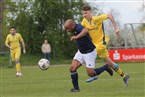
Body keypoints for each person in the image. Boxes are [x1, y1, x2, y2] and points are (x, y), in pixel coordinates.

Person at [81, 5, 129, 86]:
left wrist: (116, 28)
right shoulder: (84, 22)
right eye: (83, 13)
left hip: (101, 43)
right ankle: (124, 76)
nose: (84, 15)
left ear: (90, 12)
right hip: (94, 45)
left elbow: (110, 15)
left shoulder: (96, 19)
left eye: (86, 13)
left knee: (88, 54)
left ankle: (95, 74)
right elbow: (82, 31)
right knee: (110, 63)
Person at [64, 19, 113, 92]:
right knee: (72, 68)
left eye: (68, 28)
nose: (67, 30)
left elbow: (85, 31)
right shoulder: (74, 29)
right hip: (81, 52)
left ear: (72, 25)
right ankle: (76, 89)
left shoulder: (79, 27)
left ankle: (106, 66)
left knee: (91, 74)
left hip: (89, 53)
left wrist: (76, 37)